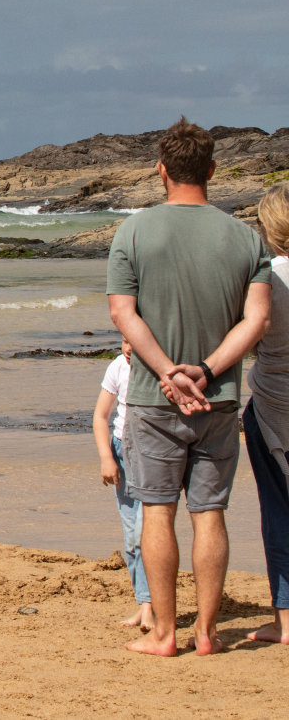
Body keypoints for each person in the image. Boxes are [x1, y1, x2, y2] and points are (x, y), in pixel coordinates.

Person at [107, 118, 271, 656]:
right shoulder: (246, 237)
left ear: (161, 170)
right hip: (218, 398)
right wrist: (205, 369)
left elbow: (123, 313)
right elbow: (257, 321)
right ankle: (206, 632)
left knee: (157, 512)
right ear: (213, 170)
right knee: (210, 514)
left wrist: (167, 373)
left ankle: (164, 632)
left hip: (152, 399)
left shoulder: (133, 232)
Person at [243, 184, 289, 645]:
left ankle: (286, 620)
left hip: (272, 404)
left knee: (277, 509)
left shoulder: (267, 278)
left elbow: (246, 335)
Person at [93, 337, 153, 631]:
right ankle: (144, 603)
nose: (128, 348)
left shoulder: (155, 368)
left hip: (151, 453)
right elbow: (100, 416)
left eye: (134, 341)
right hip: (121, 450)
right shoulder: (118, 366)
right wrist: (107, 457)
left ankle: (152, 606)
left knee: (146, 533)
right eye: (125, 341)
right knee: (131, 537)